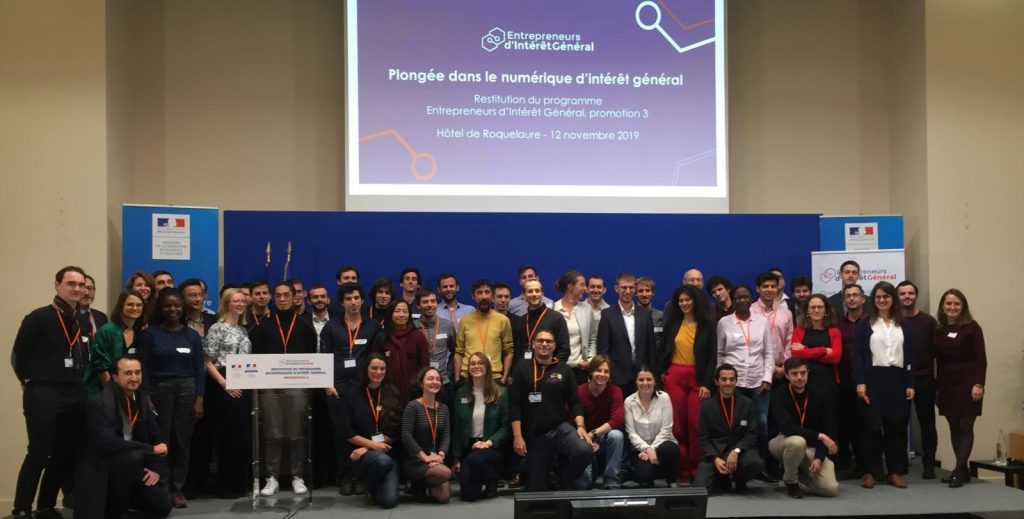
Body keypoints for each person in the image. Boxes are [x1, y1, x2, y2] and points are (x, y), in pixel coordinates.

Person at [11, 266, 91, 518]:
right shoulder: (39, 318)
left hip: (74, 394)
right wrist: (29, 381)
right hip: (44, 393)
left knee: (63, 453)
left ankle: (46, 507)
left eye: (81, 284)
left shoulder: (83, 320)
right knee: (39, 452)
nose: (77, 288)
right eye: (71, 283)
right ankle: (22, 509)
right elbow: (17, 357)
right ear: (57, 285)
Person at [137, 288, 205, 508]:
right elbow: (143, 368)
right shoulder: (150, 334)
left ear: (182, 308)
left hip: (187, 391)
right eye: (168, 305)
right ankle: (162, 488)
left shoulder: (192, 336)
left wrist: (199, 399)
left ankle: (178, 489)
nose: (173, 309)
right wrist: (145, 395)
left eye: (177, 305)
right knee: (162, 441)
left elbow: (198, 370)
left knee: (182, 442)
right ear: (161, 308)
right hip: (159, 391)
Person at [81, 356, 171, 519]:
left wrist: (155, 468)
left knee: (162, 506)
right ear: (115, 377)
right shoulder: (96, 404)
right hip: (104, 467)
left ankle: (127, 503)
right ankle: (115, 509)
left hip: (135, 465)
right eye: (128, 373)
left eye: (137, 372)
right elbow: (110, 443)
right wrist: (151, 450)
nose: (134, 378)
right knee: (133, 457)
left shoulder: (142, 400)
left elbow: (158, 438)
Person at [249, 282, 317, 496]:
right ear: (273, 298)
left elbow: (312, 357)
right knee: (273, 433)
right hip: (270, 388)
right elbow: (256, 358)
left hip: (297, 387)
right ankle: (272, 477)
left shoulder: (305, 325)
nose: (282, 299)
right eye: (278, 295)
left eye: (286, 295)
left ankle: (298, 476)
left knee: (296, 433)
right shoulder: (264, 326)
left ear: (295, 296)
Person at [509, 330, 593, 492]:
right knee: (537, 488)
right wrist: (517, 436)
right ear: (533, 344)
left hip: (559, 429)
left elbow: (575, 402)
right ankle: (540, 474)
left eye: (549, 341)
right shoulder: (521, 368)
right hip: (534, 435)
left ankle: (564, 476)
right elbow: (514, 405)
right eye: (540, 341)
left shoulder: (564, 369)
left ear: (554, 346)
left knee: (584, 451)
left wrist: (581, 426)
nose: (544, 344)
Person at [852, 281, 914, 489]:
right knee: (871, 427)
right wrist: (860, 382)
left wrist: (910, 383)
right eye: (878, 297)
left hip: (897, 379)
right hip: (873, 380)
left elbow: (911, 356)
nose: (882, 300)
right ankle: (870, 471)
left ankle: (894, 472)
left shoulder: (903, 324)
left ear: (892, 299)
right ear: (873, 300)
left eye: (886, 296)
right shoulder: (865, 324)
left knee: (895, 428)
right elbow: (859, 356)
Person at [322, 282, 381, 495]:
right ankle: (345, 476)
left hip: (361, 389)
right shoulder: (331, 327)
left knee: (362, 433)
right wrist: (327, 384)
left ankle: (361, 476)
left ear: (362, 300)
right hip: (336, 389)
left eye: (356, 298)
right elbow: (323, 357)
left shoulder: (372, 326)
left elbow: (377, 356)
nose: (353, 302)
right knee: (341, 434)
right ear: (342, 302)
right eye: (348, 299)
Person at [659, 284, 716, 483]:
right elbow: (663, 350)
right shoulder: (673, 322)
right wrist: (663, 373)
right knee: (677, 427)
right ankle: (682, 471)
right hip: (674, 376)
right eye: (680, 301)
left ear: (695, 301)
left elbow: (712, 357)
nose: (684, 303)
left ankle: (696, 469)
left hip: (697, 379)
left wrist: (708, 384)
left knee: (695, 425)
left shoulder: (708, 324)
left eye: (687, 300)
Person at [716, 285, 774, 482]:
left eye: (745, 297)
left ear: (751, 299)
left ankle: (761, 467)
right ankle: (735, 466)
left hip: (758, 381)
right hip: (734, 382)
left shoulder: (762, 320)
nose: (742, 300)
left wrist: (767, 378)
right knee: (735, 426)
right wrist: (722, 380)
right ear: (733, 300)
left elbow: (768, 352)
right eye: (738, 297)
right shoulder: (724, 323)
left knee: (762, 425)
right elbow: (720, 353)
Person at [201, 288, 252, 498]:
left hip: (242, 382)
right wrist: (225, 383)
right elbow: (207, 362)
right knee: (227, 436)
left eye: (242, 301)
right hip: (223, 384)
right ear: (226, 303)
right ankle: (225, 484)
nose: (239, 304)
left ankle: (239, 482)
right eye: (235, 301)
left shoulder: (243, 330)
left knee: (240, 436)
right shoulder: (217, 328)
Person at [932, 289, 986, 488]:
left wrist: (979, 384)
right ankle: (962, 471)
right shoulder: (938, 329)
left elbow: (981, 359)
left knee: (965, 426)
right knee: (953, 426)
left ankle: (959, 469)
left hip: (968, 382)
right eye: (948, 304)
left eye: (956, 304)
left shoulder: (972, 328)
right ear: (943, 307)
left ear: (962, 306)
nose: (952, 307)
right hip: (946, 383)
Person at [769, 357, 839, 499]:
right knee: (797, 441)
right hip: (782, 441)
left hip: (811, 446)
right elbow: (787, 428)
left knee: (829, 489)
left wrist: (819, 458)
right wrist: (820, 436)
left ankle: (793, 469)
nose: (799, 377)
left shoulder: (819, 395)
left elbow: (827, 429)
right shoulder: (778, 395)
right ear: (787, 375)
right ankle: (791, 481)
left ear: (808, 373)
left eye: (803, 373)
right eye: (794, 374)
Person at [339, 354, 402, 508]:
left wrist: (369, 446)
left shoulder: (392, 394)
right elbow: (346, 431)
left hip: (385, 452)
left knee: (388, 502)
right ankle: (368, 483)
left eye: (382, 368)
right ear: (366, 369)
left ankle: (373, 485)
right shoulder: (351, 395)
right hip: (360, 455)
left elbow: (394, 431)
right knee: (381, 461)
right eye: (374, 368)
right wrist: (371, 447)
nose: (378, 372)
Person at [696, 364, 764, 494]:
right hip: (716, 453)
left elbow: (752, 433)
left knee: (756, 463)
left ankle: (739, 479)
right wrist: (715, 458)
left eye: (732, 379)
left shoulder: (747, 403)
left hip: (739, 452)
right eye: (724, 379)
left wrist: (736, 451)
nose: (728, 383)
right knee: (700, 489)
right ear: (716, 381)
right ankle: (723, 478)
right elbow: (703, 438)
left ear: (736, 381)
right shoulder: (706, 406)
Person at [452, 352, 508, 501]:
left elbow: (505, 427)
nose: (476, 366)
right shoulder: (461, 394)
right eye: (473, 363)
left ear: (487, 367)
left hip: (491, 446)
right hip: (468, 447)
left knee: (476, 460)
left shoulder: (500, 393)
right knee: (469, 496)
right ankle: (477, 479)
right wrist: (456, 458)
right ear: (468, 368)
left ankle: (492, 478)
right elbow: (457, 427)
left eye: (480, 363)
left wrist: (489, 442)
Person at [897, 280, 938, 479]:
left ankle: (929, 463)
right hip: (898, 379)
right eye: (903, 293)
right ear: (897, 297)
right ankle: (901, 463)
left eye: (910, 293)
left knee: (927, 423)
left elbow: (938, 352)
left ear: (916, 295)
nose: (907, 297)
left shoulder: (928, 321)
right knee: (898, 422)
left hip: (924, 377)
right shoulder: (893, 322)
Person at [597, 272, 656, 396]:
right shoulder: (607, 314)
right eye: (624, 288)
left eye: (631, 288)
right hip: (617, 375)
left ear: (634, 289)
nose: (628, 291)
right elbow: (603, 349)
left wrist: (652, 372)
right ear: (616, 288)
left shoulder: (645, 315)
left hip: (641, 375)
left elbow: (651, 347)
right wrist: (608, 373)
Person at [401, 367, 453, 503]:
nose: (434, 382)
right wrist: (425, 458)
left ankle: (420, 484)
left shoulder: (444, 408)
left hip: (436, 458)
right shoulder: (413, 406)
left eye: (437, 379)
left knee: (444, 498)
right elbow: (406, 435)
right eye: (430, 379)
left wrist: (440, 455)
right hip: (415, 459)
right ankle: (416, 480)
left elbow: (447, 435)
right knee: (446, 473)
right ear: (421, 383)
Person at [624, 366, 679, 488]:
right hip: (640, 450)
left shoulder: (664, 398)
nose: (645, 383)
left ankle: (672, 481)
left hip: (663, 445)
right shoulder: (629, 401)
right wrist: (647, 449)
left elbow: (666, 429)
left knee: (670, 449)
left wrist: (652, 449)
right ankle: (652, 472)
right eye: (641, 380)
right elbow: (631, 433)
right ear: (636, 381)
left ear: (655, 381)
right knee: (643, 476)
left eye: (649, 379)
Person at [576, 355, 625, 489]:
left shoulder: (615, 391)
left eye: (606, 371)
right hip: (581, 439)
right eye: (598, 370)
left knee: (617, 435)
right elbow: (571, 419)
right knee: (583, 485)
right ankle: (589, 472)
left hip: (602, 437)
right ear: (591, 372)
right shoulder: (579, 391)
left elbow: (617, 419)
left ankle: (611, 481)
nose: (602, 374)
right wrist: (587, 439)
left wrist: (593, 434)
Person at [454, 280, 515, 384]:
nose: (483, 297)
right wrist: (457, 378)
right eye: (479, 292)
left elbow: (508, 351)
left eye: (487, 292)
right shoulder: (464, 321)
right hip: (468, 377)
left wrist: (504, 378)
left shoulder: (503, 320)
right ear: (473, 296)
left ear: (492, 296)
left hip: (494, 377)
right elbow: (459, 351)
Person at [85, 291, 145, 395]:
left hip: (132, 389)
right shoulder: (107, 331)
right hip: (106, 390)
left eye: (139, 305)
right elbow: (101, 366)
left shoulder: (142, 332)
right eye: (130, 304)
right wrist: (113, 394)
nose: (135, 308)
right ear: (121, 306)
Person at [834, 283, 867, 474]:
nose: (852, 298)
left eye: (856, 295)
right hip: (844, 381)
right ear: (844, 300)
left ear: (863, 299)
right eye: (848, 296)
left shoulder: (872, 322)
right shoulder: (838, 325)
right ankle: (845, 463)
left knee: (866, 426)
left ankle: (866, 465)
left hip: (867, 381)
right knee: (845, 424)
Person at [789, 294, 842, 407]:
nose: (816, 310)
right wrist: (823, 350)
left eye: (820, 307)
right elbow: (796, 354)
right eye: (812, 307)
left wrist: (806, 351)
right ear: (807, 310)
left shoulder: (834, 331)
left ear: (826, 310)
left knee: (829, 419)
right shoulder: (798, 331)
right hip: (803, 382)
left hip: (828, 382)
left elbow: (836, 357)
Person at [374, 299, 429, 404]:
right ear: (391, 313)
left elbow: (424, 366)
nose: (401, 314)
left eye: (405, 311)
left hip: (414, 391)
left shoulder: (417, 336)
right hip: (388, 390)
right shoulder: (382, 337)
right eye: (397, 311)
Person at [752, 272, 794, 393]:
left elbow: (789, 342)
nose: (769, 290)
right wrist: (768, 367)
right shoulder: (750, 311)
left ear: (778, 287)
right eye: (765, 286)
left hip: (781, 372)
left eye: (773, 286)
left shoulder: (786, 313)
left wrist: (785, 367)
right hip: (757, 372)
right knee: (760, 412)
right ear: (757, 288)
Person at [553, 270, 597, 383]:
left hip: (580, 369)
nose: (585, 289)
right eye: (582, 285)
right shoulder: (552, 309)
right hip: (556, 368)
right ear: (570, 286)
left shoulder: (587, 310)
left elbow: (593, 338)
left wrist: (591, 359)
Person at [414, 288, 456, 407]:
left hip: (442, 383)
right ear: (418, 305)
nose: (430, 305)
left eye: (433, 301)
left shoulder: (447, 325)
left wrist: (448, 372)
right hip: (420, 384)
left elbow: (455, 351)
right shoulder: (413, 326)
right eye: (425, 302)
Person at [520, 279, 570, 364]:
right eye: (530, 291)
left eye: (537, 291)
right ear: (524, 296)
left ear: (542, 294)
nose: (534, 294)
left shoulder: (556, 318)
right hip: (525, 371)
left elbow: (564, 349)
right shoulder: (521, 320)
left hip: (550, 370)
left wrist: (553, 369)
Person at [79, 274, 109, 339]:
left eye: (90, 288)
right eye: (83, 288)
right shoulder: (69, 316)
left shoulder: (101, 317)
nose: (87, 293)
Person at [636, 277, 664, 345]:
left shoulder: (661, 316)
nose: (644, 294)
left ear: (653, 293)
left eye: (648, 290)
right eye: (640, 291)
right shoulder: (628, 316)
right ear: (635, 293)